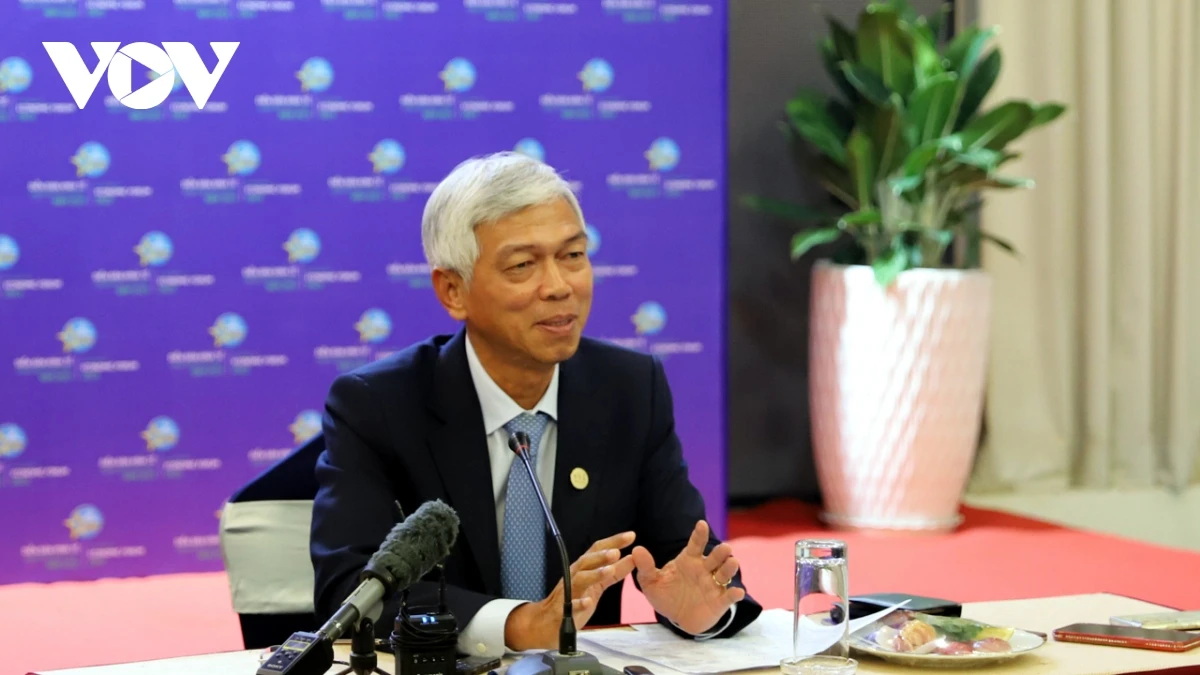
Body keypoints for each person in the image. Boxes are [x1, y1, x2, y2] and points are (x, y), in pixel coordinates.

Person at [310, 152, 762, 658]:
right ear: (453, 290)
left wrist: (701, 612)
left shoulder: (630, 389)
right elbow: (350, 588)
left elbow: (686, 560)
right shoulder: (379, 406)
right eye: (523, 265)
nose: (559, 286)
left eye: (573, 255)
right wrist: (521, 625)